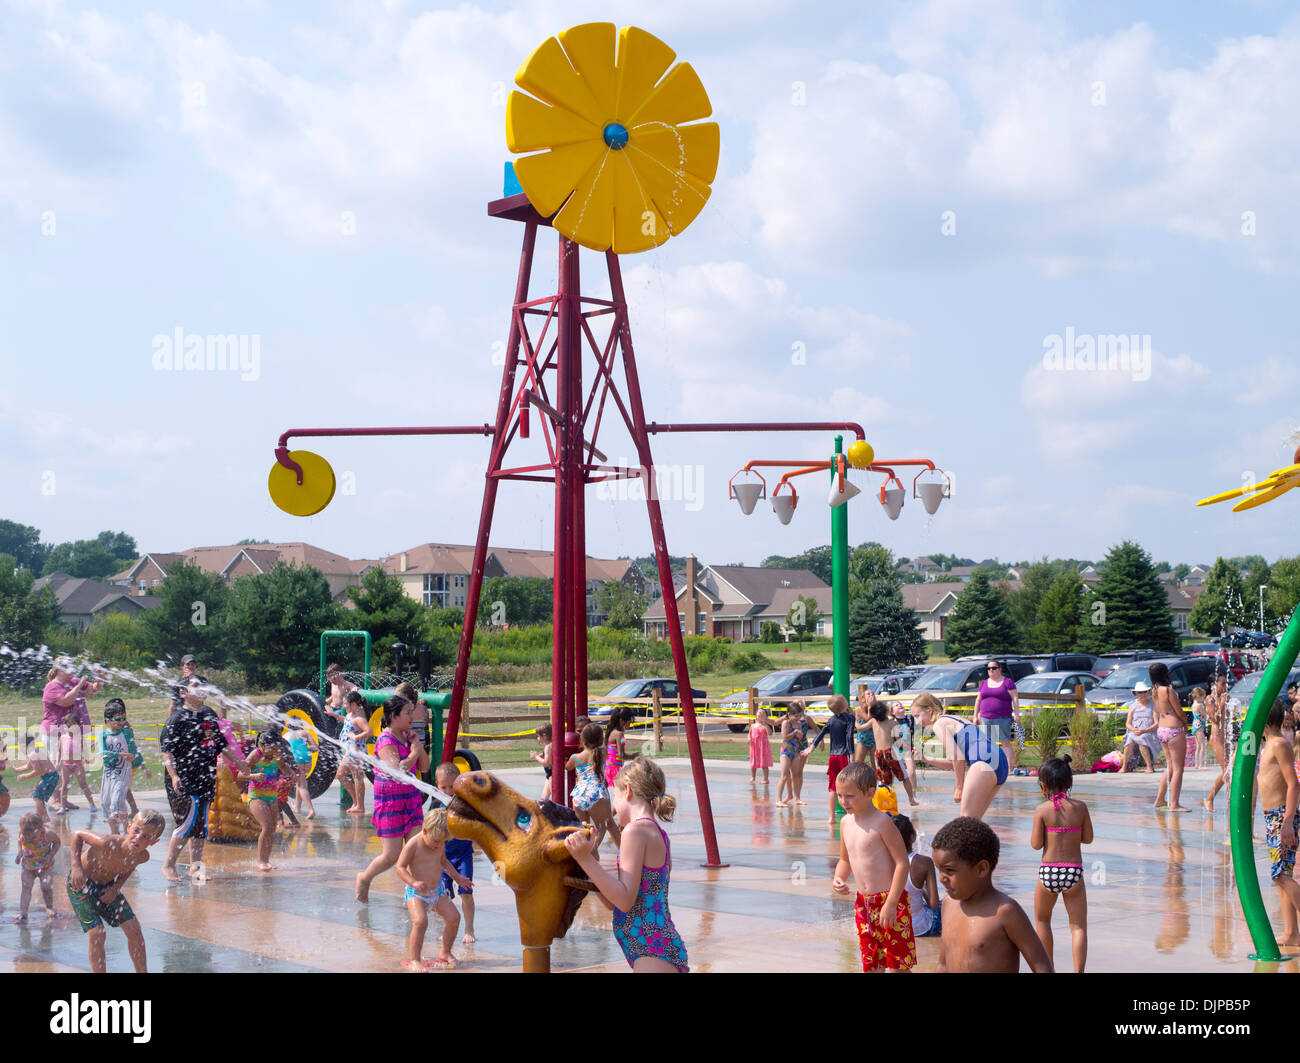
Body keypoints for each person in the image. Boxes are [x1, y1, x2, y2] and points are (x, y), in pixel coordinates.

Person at [564, 756, 688, 972]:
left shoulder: (635, 831)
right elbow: (615, 901)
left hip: (651, 948)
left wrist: (584, 859)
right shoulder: (658, 834)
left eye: (615, 796)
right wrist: (591, 861)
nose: (613, 806)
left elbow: (624, 900)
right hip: (655, 945)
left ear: (628, 790)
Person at [159, 676, 252, 883]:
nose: (201, 689)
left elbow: (220, 743)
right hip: (183, 779)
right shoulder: (177, 719)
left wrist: (239, 762)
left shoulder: (209, 715)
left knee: (201, 825)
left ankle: (196, 868)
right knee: (186, 823)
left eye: (203, 685)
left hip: (205, 776)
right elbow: (167, 752)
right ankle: (168, 865)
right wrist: (174, 776)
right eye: (195, 686)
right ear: (183, 693)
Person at [932, 816, 1052, 973]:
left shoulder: (1006, 912)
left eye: (949, 871)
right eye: (939, 870)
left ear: (981, 869)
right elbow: (943, 965)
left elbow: (1041, 967)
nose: (942, 878)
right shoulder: (948, 905)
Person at [830, 760, 915, 971]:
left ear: (870, 793)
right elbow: (845, 860)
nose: (843, 801)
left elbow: (902, 863)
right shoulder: (845, 823)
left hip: (890, 901)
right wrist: (839, 878)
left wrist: (892, 903)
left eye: (850, 796)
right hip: (864, 904)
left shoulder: (882, 823)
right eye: (840, 796)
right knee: (871, 963)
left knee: (898, 964)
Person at [67, 810, 167, 973]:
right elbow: (77, 835)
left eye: (146, 837)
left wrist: (115, 888)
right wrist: (76, 866)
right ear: (129, 827)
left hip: (107, 887)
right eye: (136, 831)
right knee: (97, 933)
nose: (138, 838)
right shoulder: (107, 842)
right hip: (81, 884)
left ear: (154, 841)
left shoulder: (143, 856)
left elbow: (129, 866)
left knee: (134, 930)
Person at [356, 695, 429, 903]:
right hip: (390, 802)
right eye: (407, 712)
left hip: (411, 799)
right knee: (392, 856)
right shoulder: (386, 739)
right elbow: (398, 770)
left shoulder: (409, 736)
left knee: (415, 850)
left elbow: (424, 768)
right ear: (394, 716)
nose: (411, 716)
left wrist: (418, 747)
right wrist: (414, 753)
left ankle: (413, 896)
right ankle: (364, 877)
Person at [1030, 755, 1092, 972]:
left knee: (1043, 921)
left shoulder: (1042, 810)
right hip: (1073, 873)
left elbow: (1036, 844)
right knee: (1078, 926)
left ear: (1043, 785)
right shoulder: (1081, 808)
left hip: (1049, 872)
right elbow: (1088, 838)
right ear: (1069, 783)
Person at [394, 808, 473, 969]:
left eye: (443, 841)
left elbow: (444, 862)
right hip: (416, 892)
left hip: (436, 891)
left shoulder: (439, 843)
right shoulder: (413, 845)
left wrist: (458, 878)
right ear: (425, 831)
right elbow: (400, 867)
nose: (439, 845)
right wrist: (413, 882)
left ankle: (445, 951)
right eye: (436, 841)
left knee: (454, 917)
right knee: (421, 922)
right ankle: (415, 959)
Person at [912, 692, 1007, 819]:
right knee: (973, 821)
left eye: (917, 716)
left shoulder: (939, 724)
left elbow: (957, 757)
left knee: (965, 821)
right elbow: (954, 763)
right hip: (1000, 761)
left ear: (929, 710)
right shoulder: (956, 719)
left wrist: (959, 787)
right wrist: (925, 758)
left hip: (983, 761)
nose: (917, 721)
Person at [1258, 696, 1300, 947]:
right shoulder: (1267, 744)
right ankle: (1292, 933)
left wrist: (1287, 821)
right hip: (1272, 816)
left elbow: (1294, 784)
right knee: (1282, 876)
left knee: (1281, 876)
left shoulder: (1278, 744)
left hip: (1281, 816)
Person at [42, 657, 100, 812]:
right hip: (55, 732)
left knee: (68, 769)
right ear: (60, 669)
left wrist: (99, 680)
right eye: (68, 666)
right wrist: (80, 684)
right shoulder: (51, 687)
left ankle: (63, 800)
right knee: (57, 766)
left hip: (72, 733)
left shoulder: (73, 681)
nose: (73, 668)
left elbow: (92, 691)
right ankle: (54, 800)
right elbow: (67, 701)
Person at [433, 762, 477, 944]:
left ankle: (469, 929)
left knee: (466, 892)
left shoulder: (465, 802)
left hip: (463, 854)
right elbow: (429, 827)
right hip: (443, 858)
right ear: (437, 786)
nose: (448, 791)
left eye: (452, 786)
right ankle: (448, 929)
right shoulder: (436, 802)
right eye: (443, 787)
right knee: (444, 897)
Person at [567, 722, 620, 853]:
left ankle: (589, 856)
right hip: (596, 793)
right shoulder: (603, 752)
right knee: (602, 826)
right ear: (600, 739)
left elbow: (567, 766)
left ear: (582, 739)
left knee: (584, 829)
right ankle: (593, 849)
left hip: (579, 795)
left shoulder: (576, 757)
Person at [245, 730, 293, 871]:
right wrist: (253, 776)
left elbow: (283, 766)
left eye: (277, 749)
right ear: (262, 745)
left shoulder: (276, 755)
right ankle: (260, 861)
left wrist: (292, 775)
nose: (274, 752)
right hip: (256, 796)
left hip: (272, 796)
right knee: (266, 827)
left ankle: (266, 860)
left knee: (272, 829)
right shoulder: (255, 756)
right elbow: (240, 774)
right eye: (271, 749)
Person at [100, 699, 147, 834]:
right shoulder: (105, 732)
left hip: (127, 766)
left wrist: (141, 764)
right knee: (111, 798)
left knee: (119, 795)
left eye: (122, 717)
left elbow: (132, 748)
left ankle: (127, 827)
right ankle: (117, 829)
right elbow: (104, 749)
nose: (120, 721)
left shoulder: (125, 729)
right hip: (112, 769)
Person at [808, 695, 856, 823]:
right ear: (844, 706)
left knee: (833, 787)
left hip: (833, 756)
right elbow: (849, 737)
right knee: (848, 785)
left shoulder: (831, 720)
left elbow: (821, 733)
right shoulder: (850, 719)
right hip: (844, 755)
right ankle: (850, 815)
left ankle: (831, 817)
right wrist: (851, 754)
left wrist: (812, 746)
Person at [893, 813, 941, 938]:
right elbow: (934, 904)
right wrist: (923, 889)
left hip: (893, 927)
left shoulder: (882, 861)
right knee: (942, 906)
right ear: (913, 837)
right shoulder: (924, 863)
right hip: (919, 928)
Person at [1151, 662, 1190, 812]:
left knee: (1170, 767)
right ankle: (1174, 804)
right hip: (1174, 730)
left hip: (1162, 729)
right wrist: (1185, 723)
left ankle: (1160, 799)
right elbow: (1179, 711)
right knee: (1179, 768)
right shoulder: (1168, 690)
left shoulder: (1154, 691)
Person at [12, 812, 60, 923]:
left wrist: (50, 855)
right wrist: (20, 853)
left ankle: (49, 907)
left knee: (46, 886)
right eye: (26, 835)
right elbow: (20, 842)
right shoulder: (23, 833)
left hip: (45, 866)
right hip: (28, 866)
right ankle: (23, 913)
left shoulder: (48, 834)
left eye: (33, 837)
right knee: (26, 888)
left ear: (41, 829)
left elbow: (57, 843)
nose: (29, 839)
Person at [869, 701, 919, 807]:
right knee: (904, 777)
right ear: (888, 711)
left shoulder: (873, 721)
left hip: (878, 754)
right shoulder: (893, 723)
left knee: (883, 780)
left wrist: (854, 720)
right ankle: (911, 799)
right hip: (891, 753)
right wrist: (908, 748)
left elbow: (860, 728)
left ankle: (882, 801)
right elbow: (898, 740)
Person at [974, 659, 1019, 769]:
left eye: (993, 668)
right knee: (989, 743)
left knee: (1005, 742)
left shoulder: (1007, 682)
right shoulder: (984, 683)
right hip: (986, 717)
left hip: (1003, 717)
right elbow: (978, 700)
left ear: (999, 669)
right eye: (989, 668)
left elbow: (1015, 698)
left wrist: (1017, 714)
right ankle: (991, 766)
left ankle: (1008, 767)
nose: (991, 670)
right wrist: (975, 715)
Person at [338, 690, 372, 815]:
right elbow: (347, 723)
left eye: (346, 704)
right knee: (341, 774)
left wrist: (355, 737)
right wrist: (335, 715)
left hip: (357, 750)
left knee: (357, 777)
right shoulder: (350, 714)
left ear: (353, 704)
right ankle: (356, 802)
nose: (344, 706)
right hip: (349, 751)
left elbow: (369, 732)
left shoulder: (359, 718)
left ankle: (360, 806)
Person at [16, 733, 61, 822]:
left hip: (49, 777)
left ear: (24, 745)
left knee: (36, 797)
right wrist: (17, 769)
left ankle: (40, 818)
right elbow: (28, 766)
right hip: (52, 776)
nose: (19, 749)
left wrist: (24, 776)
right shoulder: (36, 751)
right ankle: (45, 817)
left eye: (19, 746)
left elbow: (38, 771)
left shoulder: (32, 755)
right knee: (39, 797)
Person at [1119, 682, 1160, 773]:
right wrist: (1134, 730)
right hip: (1135, 731)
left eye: (1144, 692)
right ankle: (1124, 766)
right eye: (1140, 692)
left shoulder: (1153, 705)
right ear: (1136, 694)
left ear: (1148, 692)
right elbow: (1128, 723)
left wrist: (1145, 730)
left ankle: (1149, 766)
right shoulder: (1132, 706)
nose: (1142, 694)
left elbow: (1156, 723)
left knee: (1142, 738)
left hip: (1149, 732)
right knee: (1130, 739)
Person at [1204, 674, 1230, 811]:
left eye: (1226, 684)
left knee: (1230, 770)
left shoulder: (1223, 698)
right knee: (1227, 771)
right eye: (1223, 684)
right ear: (1213, 685)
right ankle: (1209, 799)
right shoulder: (1210, 699)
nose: (1225, 687)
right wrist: (1223, 704)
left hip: (1225, 737)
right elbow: (1215, 719)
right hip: (1216, 738)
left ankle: (1228, 801)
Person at [286, 720, 317, 820]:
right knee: (300, 782)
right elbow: (315, 748)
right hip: (307, 759)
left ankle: (311, 810)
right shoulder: (305, 733)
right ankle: (297, 807)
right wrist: (307, 748)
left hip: (296, 760)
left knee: (302, 785)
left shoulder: (287, 735)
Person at [604, 707, 630, 787]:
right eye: (629, 722)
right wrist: (634, 756)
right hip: (614, 768)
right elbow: (620, 754)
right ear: (622, 721)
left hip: (609, 767)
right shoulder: (619, 734)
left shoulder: (612, 731)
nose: (629, 724)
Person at [748, 706, 773, 785]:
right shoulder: (752, 725)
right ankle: (753, 777)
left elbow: (770, 733)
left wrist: (765, 724)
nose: (761, 715)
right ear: (756, 716)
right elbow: (749, 734)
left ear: (766, 717)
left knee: (764, 763)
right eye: (759, 713)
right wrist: (749, 738)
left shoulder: (765, 726)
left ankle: (766, 779)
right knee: (753, 763)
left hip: (763, 747)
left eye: (763, 714)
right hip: (754, 746)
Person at [853, 686, 876, 764]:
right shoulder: (860, 708)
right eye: (868, 694)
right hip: (863, 739)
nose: (871, 695)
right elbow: (867, 719)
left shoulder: (877, 708)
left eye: (872, 694)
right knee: (859, 763)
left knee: (875, 763)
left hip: (874, 739)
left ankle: (875, 776)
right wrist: (870, 706)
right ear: (863, 699)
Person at [530, 723, 553, 801]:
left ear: (544, 735)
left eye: (538, 736)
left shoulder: (547, 747)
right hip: (550, 774)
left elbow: (546, 763)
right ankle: (543, 811)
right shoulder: (552, 744)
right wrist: (541, 755)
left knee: (556, 796)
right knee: (544, 797)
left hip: (552, 775)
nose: (537, 738)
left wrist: (536, 757)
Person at [1188, 687, 1207, 770]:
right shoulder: (1199, 705)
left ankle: (1197, 764)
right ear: (1198, 696)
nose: (1204, 699)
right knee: (1202, 745)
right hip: (1199, 727)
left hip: (1194, 726)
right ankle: (1201, 765)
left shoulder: (1193, 705)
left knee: (1198, 746)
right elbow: (1205, 715)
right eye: (1203, 697)